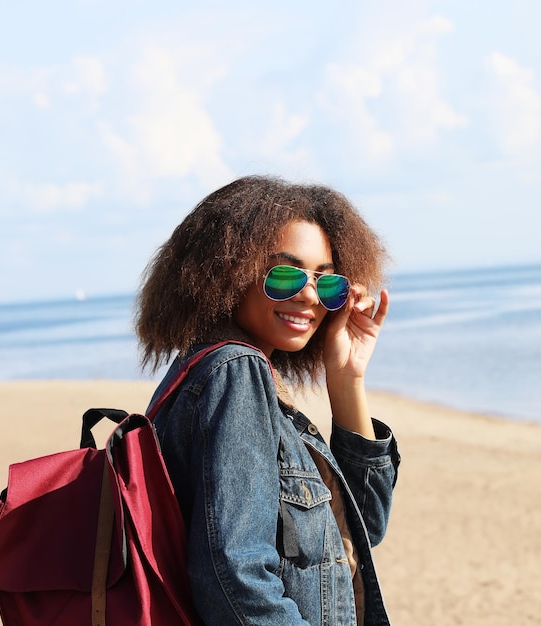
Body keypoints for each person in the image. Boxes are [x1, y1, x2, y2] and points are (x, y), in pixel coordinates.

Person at [135, 175, 401, 626]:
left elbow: (363, 531)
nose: (310, 296)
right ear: (228, 272)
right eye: (284, 274)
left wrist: (346, 377)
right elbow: (234, 578)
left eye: (327, 282)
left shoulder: (214, 374)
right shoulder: (235, 372)